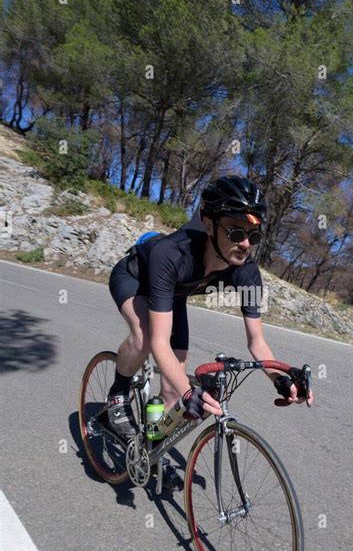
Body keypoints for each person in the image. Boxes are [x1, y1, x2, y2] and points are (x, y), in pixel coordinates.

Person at [107, 175, 313, 449]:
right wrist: (190, 390)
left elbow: (257, 342)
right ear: (208, 224)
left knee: (172, 390)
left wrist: (281, 379)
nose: (246, 244)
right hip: (135, 278)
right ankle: (118, 395)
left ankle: (150, 448)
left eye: (254, 235)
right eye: (236, 233)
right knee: (145, 337)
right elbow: (158, 342)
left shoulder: (247, 274)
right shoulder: (173, 253)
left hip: (175, 294)